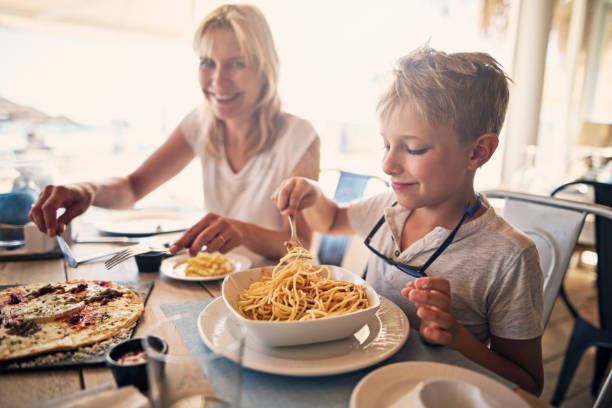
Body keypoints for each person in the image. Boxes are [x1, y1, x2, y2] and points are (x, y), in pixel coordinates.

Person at [272, 46, 544, 395]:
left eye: (413, 149)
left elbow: (528, 385)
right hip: (355, 378)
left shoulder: (509, 257)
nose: (388, 164)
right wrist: (312, 193)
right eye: (386, 144)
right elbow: (332, 221)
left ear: (477, 152)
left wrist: (457, 336)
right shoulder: (389, 207)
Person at [28, 4, 319, 265]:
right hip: (214, 284)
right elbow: (132, 187)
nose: (218, 80)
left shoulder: (298, 137)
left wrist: (243, 231)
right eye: (207, 62)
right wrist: (87, 190)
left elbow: (300, 244)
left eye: (236, 63)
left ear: (264, 69)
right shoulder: (199, 123)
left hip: (274, 295)